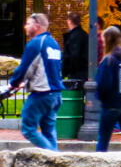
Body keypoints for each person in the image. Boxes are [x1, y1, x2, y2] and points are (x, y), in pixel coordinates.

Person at [8, 13, 65, 151]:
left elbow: (25, 68)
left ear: (37, 26)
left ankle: (53, 157)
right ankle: (56, 165)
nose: (25, 26)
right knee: (49, 130)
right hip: (56, 94)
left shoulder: (35, 43)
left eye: (28, 23)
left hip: (41, 93)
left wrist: (14, 83)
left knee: (28, 128)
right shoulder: (54, 43)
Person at [62, 11, 89, 80]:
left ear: (70, 22)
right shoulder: (85, 35)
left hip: (76, 74)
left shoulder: (73, 37)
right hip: (84, 72)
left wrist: (65, 72)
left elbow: (72, 57)